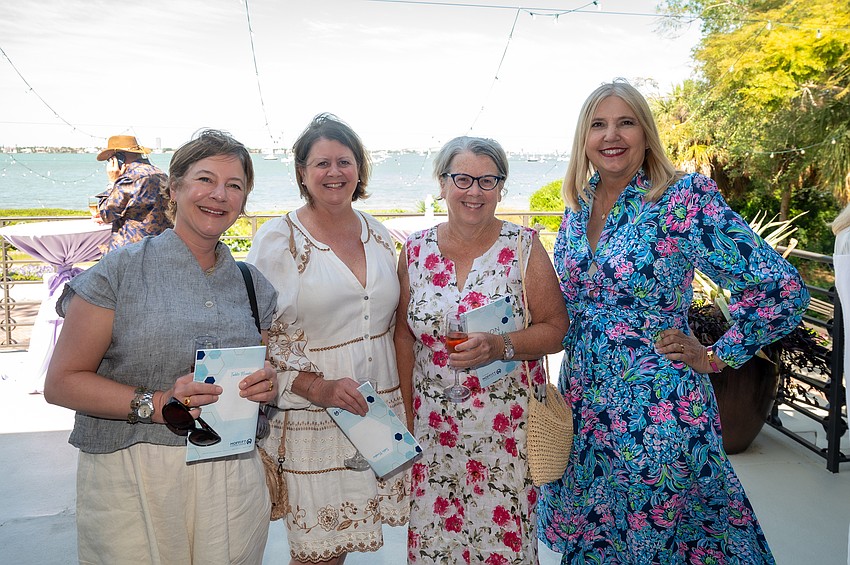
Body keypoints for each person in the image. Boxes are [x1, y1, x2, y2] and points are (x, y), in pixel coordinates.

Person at [537, 79, 810, 563]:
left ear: (645, 132)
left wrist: (716, 355)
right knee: (601, 536)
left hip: (658, 406)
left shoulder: (681, 199)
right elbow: (570, 302)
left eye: (626, 122)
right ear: (584, 138)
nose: (611, 135)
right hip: (585, 402)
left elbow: (780, 287)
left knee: (663, 536)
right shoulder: (578, 204)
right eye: (598, 124)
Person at [44, 129, 279, 564]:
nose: (219, 195)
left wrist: (267, 387)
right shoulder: (119, 272)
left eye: (234, 185)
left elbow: (259, 375)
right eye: (205, 179)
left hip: (232, 479)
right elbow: (61, 383)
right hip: (132, 474)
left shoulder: (253, 285)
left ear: (244, 201)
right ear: (174, 188)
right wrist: (158, 403)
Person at [394, 136, 569, 564]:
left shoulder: (524, 248)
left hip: (503, 431)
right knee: (438, 543)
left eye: (488, 180)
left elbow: (557, 329)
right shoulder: (414, 251)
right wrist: (407, 411)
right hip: (433, 429)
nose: (475, 191)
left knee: (500, 543)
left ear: (501, 187)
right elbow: (402, 334)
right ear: (442, 184)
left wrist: (501, 345)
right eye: (463, 179)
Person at [246, 113, 410, 565]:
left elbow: (394, 320)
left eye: (344, 161)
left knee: (344, 545)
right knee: (320, 552)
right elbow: (255, 338)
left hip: (376, 408)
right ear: (302, 172)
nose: (334, 172)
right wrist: (318, 388)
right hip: (313, 414)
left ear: (360, 169)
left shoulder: (377, 232)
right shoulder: (278, 240)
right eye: (321, 163)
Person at [94, 134, 172, 252]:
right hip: (159, 246)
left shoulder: (130, 179)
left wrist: (112, 182)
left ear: (117, 158)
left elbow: (106, 213)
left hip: (131, 251)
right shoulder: (160, 174)